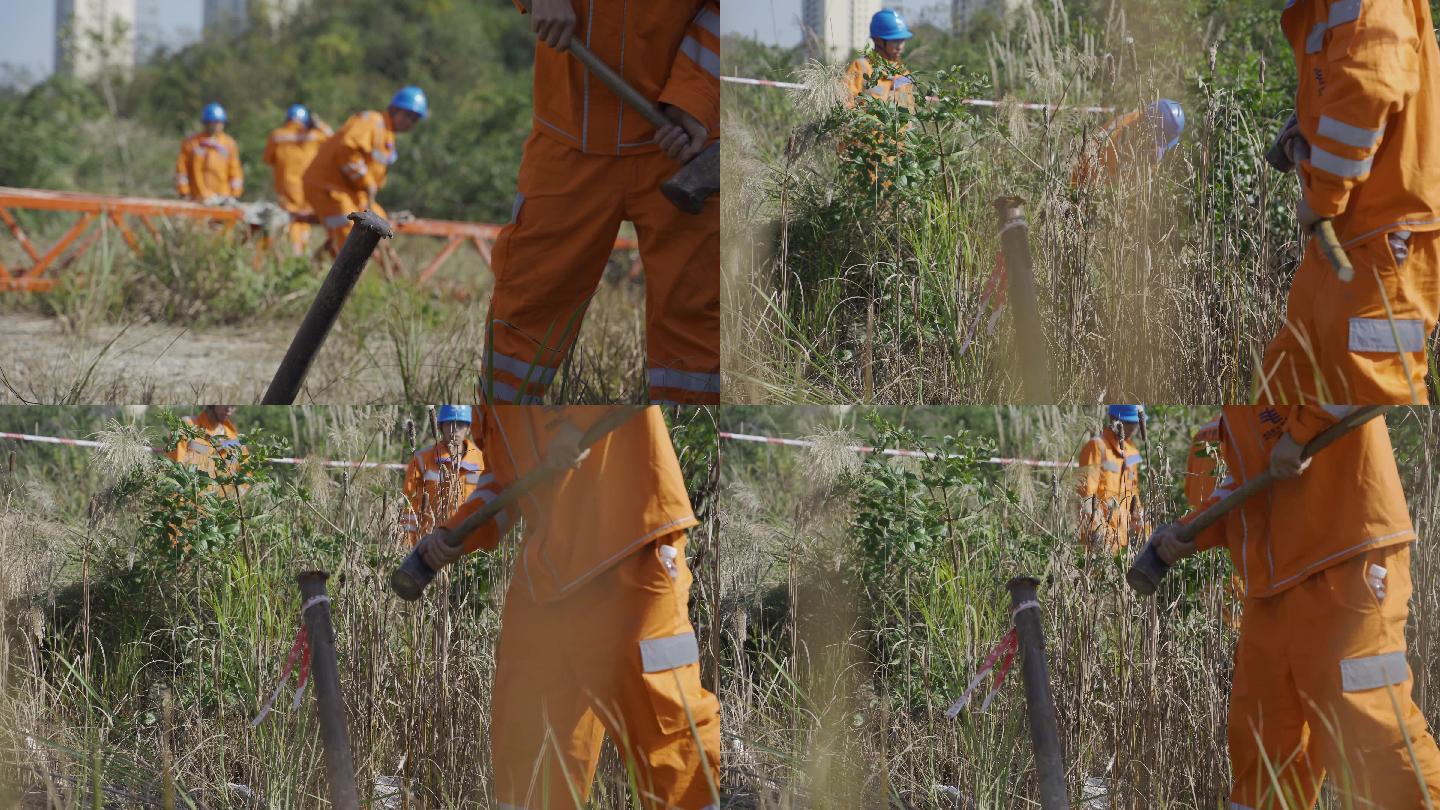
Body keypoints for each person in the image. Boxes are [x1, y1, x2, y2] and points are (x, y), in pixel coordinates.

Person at [412, 405, 721, 809]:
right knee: (529, 737)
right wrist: (457, 532)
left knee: (665, 732)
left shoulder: (555, 347)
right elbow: (506, 478)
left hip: (632, 545)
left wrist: (575, 422)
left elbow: (625, 364)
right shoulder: (497, 362)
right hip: (552, 574)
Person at [1152, 406, 1440, 807]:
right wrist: (1194, 531)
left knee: (1370, 726)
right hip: (1272, 588)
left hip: (1346, 558)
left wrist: (1304, 430)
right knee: (1264, 745)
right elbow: (1250, 481)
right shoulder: (1233, 403)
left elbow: (1364, 358)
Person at [482, 0, 720, 405]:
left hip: (681, 142)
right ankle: (504, 425)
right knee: (530, 300)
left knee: (696, 309)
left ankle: (688, 432)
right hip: (568, 138)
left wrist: (693, 98)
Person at [1258, 0, 1440, 404]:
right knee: (1290, 375)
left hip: (1388, 237)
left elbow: (1371, 83)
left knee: (1373, 386)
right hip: (1350, 234)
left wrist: (1323, 195)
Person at [301, 86, 427, 252]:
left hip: (351, 190)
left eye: (415, 119)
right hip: (327, 186)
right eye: (408, 116)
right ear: (394, 109)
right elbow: (348, 149)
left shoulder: (388, 136)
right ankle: (332, 274)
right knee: (351, 235)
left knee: (380, 225)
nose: (410, 122)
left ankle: (319, 270)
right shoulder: (373, 122)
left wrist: (369, 186)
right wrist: (367, 182)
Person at [399, 405, 486, 544]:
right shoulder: (422, 459)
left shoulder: (482, 460)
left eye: (461, 424)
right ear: (439, 427)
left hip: (471, 543)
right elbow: (410, 502)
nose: (455, 429)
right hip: (430, 542)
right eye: (450, 423)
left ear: (469, 428)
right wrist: (407, 542)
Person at [263, 104, 333, 254]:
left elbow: (268, 159)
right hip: (309, 190)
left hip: (286, 191)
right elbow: (334, 140)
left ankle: (293, 255)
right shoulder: (314, 135)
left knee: (290, 222)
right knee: (304, 222)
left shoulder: (277, 135)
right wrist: (320, 124)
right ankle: (302, 255)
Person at [1075, 404, 1145, 553]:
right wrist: (1098, 534)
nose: (1134, 428)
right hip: (1098, 541)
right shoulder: (1096, 446)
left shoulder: (1131, 451)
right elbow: (1086, 496)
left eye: (1136, 423)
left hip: (1123, 540)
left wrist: (1143, 530)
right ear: (1114, 419)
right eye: (1129, 422)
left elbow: (1134, 495)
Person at [1071, 99, 1185, 187]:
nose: (1157, 148)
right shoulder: (1116, 135)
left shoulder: (1145, 120)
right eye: (1157, 143)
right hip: (1089, 184)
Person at [844, 9, 916, 109]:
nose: (900, 46)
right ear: (878, 40)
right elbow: (846, 104)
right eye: (895, 41)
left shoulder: (904, 73)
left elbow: (911, 110)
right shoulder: (861, 67)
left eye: (902, 40)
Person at [174, 103, 243, 203]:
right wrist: (183, 191)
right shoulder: (192, 142)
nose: (217, 126)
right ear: (206, 123)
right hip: (197, 198)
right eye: (213, 122)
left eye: (220, 122)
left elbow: (235, 171)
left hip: (223, 199)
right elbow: (181, 170)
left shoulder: (229, 144)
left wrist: (235, 194)